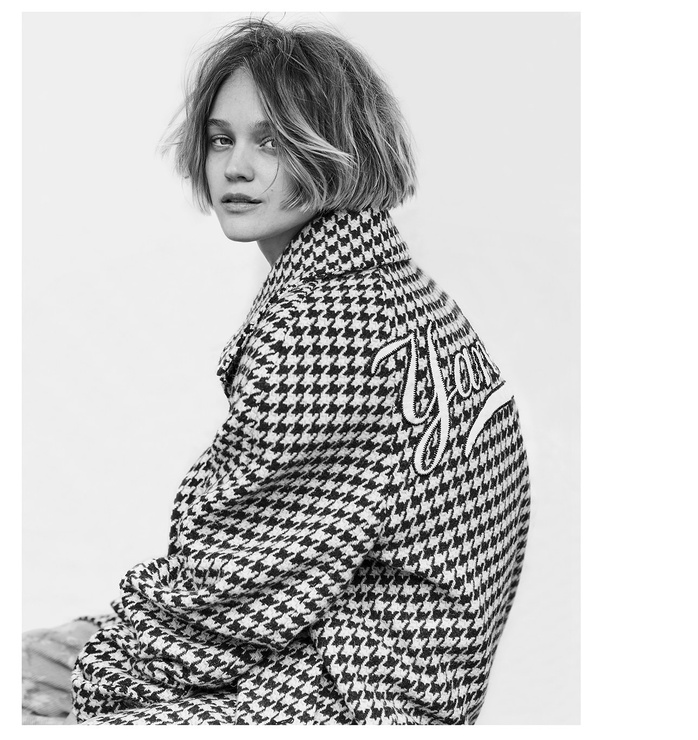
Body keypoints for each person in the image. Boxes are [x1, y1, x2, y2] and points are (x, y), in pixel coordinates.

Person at [22, 17, 531, 725]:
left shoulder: (330, 323)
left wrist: (99, 661)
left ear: (342, 149)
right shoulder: (389, 288)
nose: (236, 168)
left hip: (351, 695)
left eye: (273, 141)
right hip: (374, 666)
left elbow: (235, 595)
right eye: (221, 139)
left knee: (30, 687)